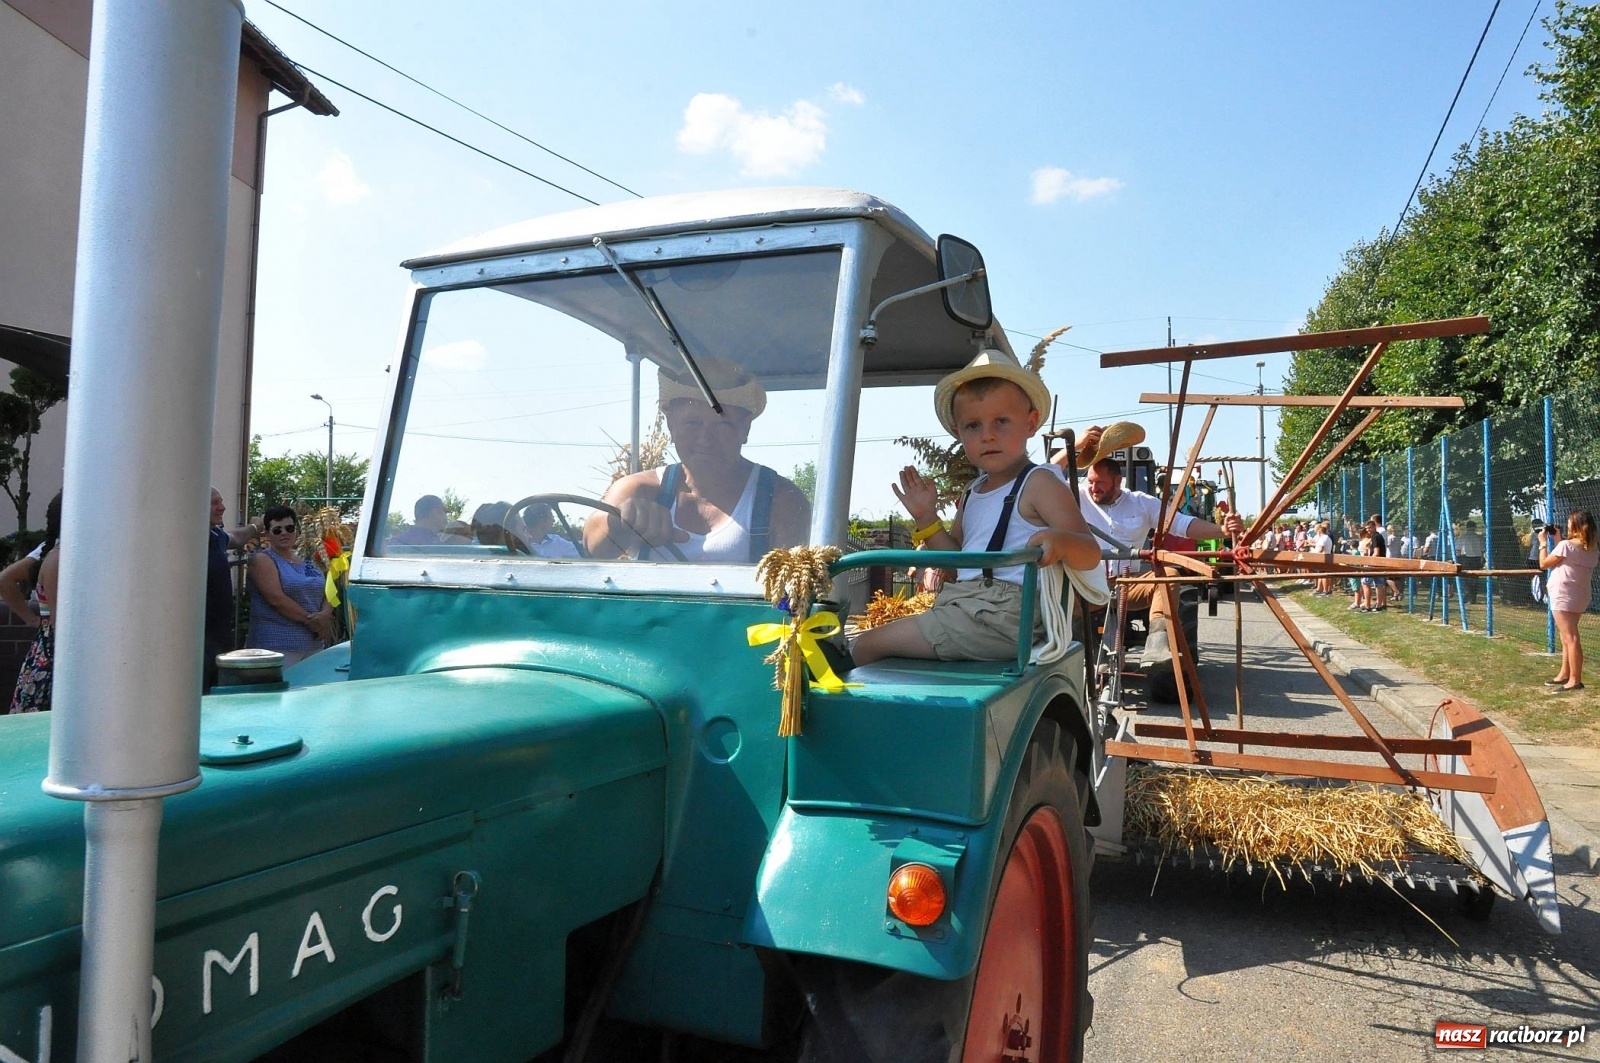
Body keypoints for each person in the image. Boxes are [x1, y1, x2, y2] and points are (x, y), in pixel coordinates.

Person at [850, 349, 1100, 666]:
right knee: (880, 648)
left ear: (1031, 423)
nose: (987, 436)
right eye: (973, 426)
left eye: (1001, 421)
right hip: (968, 605)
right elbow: (955, 565)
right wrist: (926, 518)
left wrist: (1059, 542)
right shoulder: (973, 492)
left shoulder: (1040, 482)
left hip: (1006, 614)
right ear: (958, 432)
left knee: (866, 646)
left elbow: (1090, 554)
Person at [1049, 422, 1244, 686]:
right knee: (1051, 593)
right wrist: (1079, 445)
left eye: (1101, 483)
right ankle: (1069, 661)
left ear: (1118, 481)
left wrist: (1222, 529)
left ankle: (1158, 644)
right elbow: (1046, 472)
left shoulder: (1142, 502)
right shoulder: (1076, 495)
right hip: (1085, 586)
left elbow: (1185, 525)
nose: (1094, 488)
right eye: (1091, 482)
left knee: (1169, 577)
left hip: (1128, 585)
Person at [585, 358, 810, 562]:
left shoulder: (781, 500)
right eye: (693, 423)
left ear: (745, 428)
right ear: (671, 426)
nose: (705, 438)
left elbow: (793, 596)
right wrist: (619, 522)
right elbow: (592, 545)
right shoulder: (638, 488)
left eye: (722, 424)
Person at [245, 506, 334, 667]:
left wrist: (326, 614)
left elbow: (328, 589)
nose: (284, 533)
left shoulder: (308, 559)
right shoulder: (262, 560)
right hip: (277, 646)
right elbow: (276, 599)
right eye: (277, 530)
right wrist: (315, 624)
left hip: (313, 644)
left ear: (296, 530)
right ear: (267, 534)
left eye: (289, 528)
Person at [8, 492, 62, 713]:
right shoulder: (58, 558)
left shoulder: (54, 554)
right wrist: (32, 618)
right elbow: (63, 624)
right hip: (53, 662)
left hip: (49, 655)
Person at [206, 487, 261, 691]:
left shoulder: (216, 536)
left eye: (221, 501)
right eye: (214, 503)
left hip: (220, 636)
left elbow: (236, 538)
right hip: (197, 638)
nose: (222, 507)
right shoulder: (185, 542)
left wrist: (255, 527)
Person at [1539, 510, 1597, 694]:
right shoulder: (1592, 548)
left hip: (1562, 594)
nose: (1568, 524)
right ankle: (1565, 674)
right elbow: (1566, 559)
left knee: (1570, 638)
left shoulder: (1566, 545)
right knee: (1567, 637)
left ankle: (1574, 680)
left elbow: (1544, 563)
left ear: (1577, 525)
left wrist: (1542, 544)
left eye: (1570, 521)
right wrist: (1558, 540)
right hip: (1580, 595)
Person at [1456, 518, 1486, 603]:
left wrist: (1458, 559)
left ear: (1467, 527)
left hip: (1466, 558)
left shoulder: (1463, 537)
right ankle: (1473, 597)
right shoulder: (1479, 537)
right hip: (1476, 558)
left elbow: (1458, 550)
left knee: (1465, 577)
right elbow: (1483, 550)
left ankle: (1467, 592)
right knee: (1475, 578)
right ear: (1475, 527)